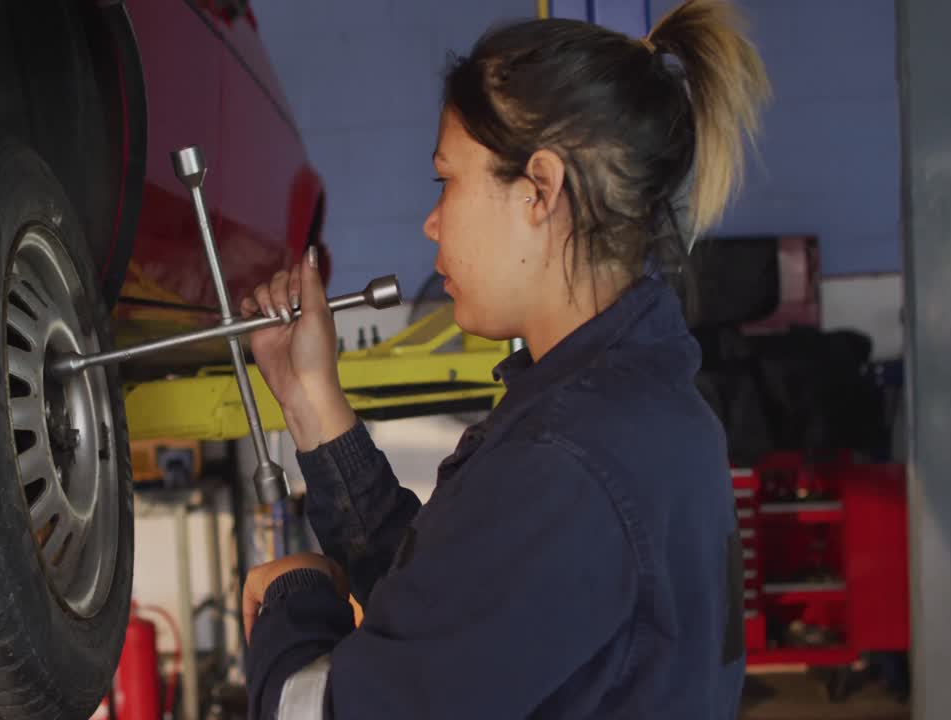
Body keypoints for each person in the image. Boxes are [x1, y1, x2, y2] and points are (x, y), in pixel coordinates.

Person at [237, 1, 770, 718]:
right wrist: (309, 399)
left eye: (446, 181)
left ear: (539, 192)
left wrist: (292, 607)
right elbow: (456, 604)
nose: (431, 220)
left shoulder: (568, 460)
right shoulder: (638, 411)